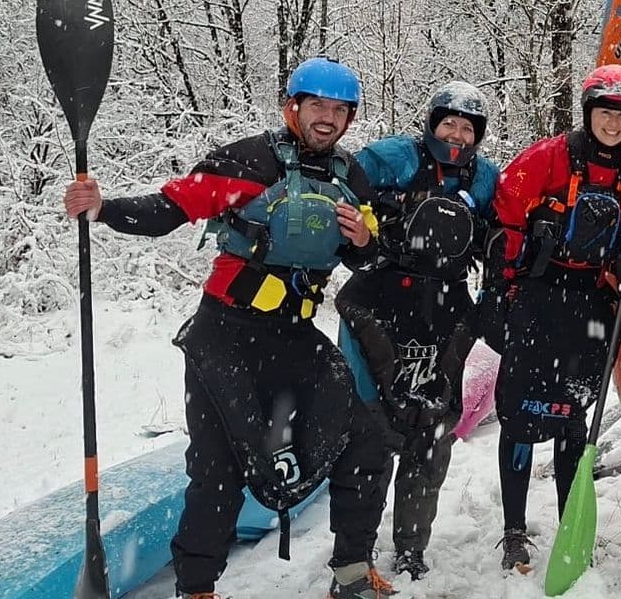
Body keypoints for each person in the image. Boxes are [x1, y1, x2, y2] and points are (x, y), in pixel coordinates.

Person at [61, 57, 395, 599]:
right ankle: (196, 588)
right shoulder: (249, 159)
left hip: (295, 335)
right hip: (226, 335)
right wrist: (104, 209)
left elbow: (372, 255)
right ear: (294, 108)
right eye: (318, 106)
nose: (328, 119)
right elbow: (172, 205)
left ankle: (353, 569)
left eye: (339, 110)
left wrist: (365, 241)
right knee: (218, 467)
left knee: (368, 440)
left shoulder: (351, 178)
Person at [485, 64, 621, 573]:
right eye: (605, 112)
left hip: (593, 301)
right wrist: (501, 290)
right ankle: (514, 530)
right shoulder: (548, 157)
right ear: (589, 113)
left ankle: (566, 519)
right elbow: (506, 214)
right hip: (539, 293)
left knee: (572, 410)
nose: (612, 124)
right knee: (518, 412)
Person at [338, 81, 501, 582]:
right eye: (448, 122)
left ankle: (411, 547)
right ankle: (353, 558)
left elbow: (503, 230)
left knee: (430, 432)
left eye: (467, 127)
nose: (456, 133)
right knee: (370, 432)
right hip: (377, 301)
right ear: (430, 124)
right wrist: (369, 224)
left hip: (444, 312)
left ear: (478, 136)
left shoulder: (484, 177)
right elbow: (344, 180)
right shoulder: (396, 156)